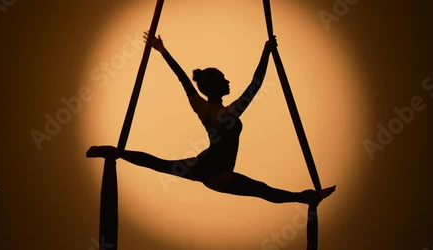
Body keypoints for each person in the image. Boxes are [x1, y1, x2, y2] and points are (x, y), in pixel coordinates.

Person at [87, 32, 336, 205]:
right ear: (215, 86)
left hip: (203, 166)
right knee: (263, 191)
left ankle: (115, 152)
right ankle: (307, 197)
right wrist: (266, 52)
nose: (228, 82)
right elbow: (251, 84)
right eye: (224, 79)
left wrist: (266, 52)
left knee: (160, 163)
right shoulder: (222, 111)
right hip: (217, 174)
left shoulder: (209, 109)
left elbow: (191, 80)